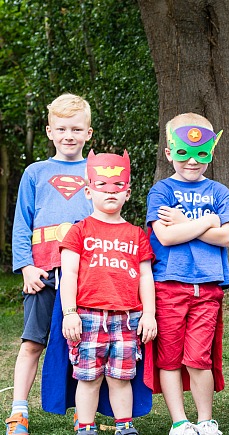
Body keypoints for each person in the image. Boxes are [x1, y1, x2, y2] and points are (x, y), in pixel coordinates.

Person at [146, 113, 229, 435]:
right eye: (184, 152)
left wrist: (184, 221)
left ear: (211, 150)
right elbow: (166, 237)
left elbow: (227, 237)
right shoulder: (160, 192)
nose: (192, 161)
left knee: (199, 357)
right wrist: (206, 222)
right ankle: (180, 422)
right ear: (170, 151)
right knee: (170, 358)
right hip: (168, 288)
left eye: (201, 153)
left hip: (208, 291)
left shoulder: (220, 192)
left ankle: (205, 420)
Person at [6, 93, 95, 435]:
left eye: (76, 128)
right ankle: (18, 410)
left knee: (82, 342)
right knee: (32, 342)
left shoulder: (97, 171)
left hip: (85, 274)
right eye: (61, 129)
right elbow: (21, 223)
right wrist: (26, 266)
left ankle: (82, 411)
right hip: (42, 273)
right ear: (49, 131)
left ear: (88, 133)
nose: (68, 135)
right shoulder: (35, 172)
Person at [59, 150, 156, 435]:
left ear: (127, 192)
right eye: (102, 186)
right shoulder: (79, 231)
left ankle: (124, 426)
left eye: (118, 187)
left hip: (127, 319)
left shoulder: (137, 234)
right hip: (87, 317)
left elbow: (145, 276)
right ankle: (86, 427)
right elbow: (70, 276)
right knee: (89, 378)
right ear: (88, 191)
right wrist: (69, 313)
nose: (110, 192)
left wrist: (148, 314)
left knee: (121, 377)